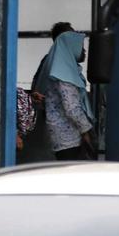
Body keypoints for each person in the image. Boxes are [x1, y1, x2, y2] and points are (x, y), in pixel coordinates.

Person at [42, 30, 96, 160]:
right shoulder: (63, 75)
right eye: (80, 47)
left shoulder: (64, 69)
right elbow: (72, 108)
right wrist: (87, 131)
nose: (84, 51)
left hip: (64, 137)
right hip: (69, 139)